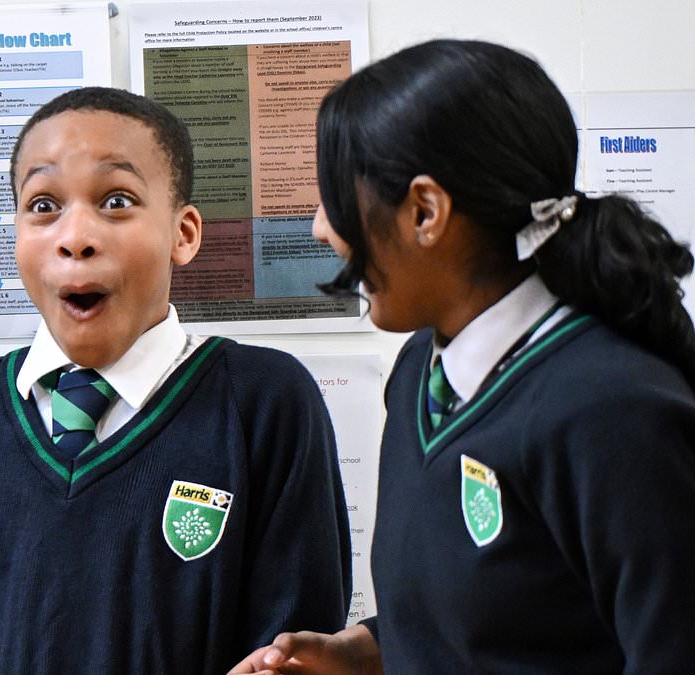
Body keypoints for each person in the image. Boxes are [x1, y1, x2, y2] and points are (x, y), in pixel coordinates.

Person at [231, 39, 695, 675]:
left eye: (337, 200)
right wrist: (368, 651)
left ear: (425, 211)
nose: (321, 228)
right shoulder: (420, 372)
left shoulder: (612, 409)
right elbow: (509, 619)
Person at [0, 86, 351, 674]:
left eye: (116, 200)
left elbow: (291, 649)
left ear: (183, 234)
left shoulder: (265, 401)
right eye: (42, 205)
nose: (76, 236)